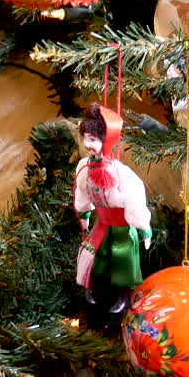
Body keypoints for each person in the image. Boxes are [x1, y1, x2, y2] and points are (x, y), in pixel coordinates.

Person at [73, 103, 152, 313]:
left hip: (122, 225)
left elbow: (135, 197)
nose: (88, 144)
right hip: (102, 222)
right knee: (96, 255)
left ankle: (123, 295)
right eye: (86, 138)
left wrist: (144, 228)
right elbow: (81, 192)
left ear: (105, 140)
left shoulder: (120, 173)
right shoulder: (84, 166)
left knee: (123, 259)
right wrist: (84, 213)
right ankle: (92, 288)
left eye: (93, 139)